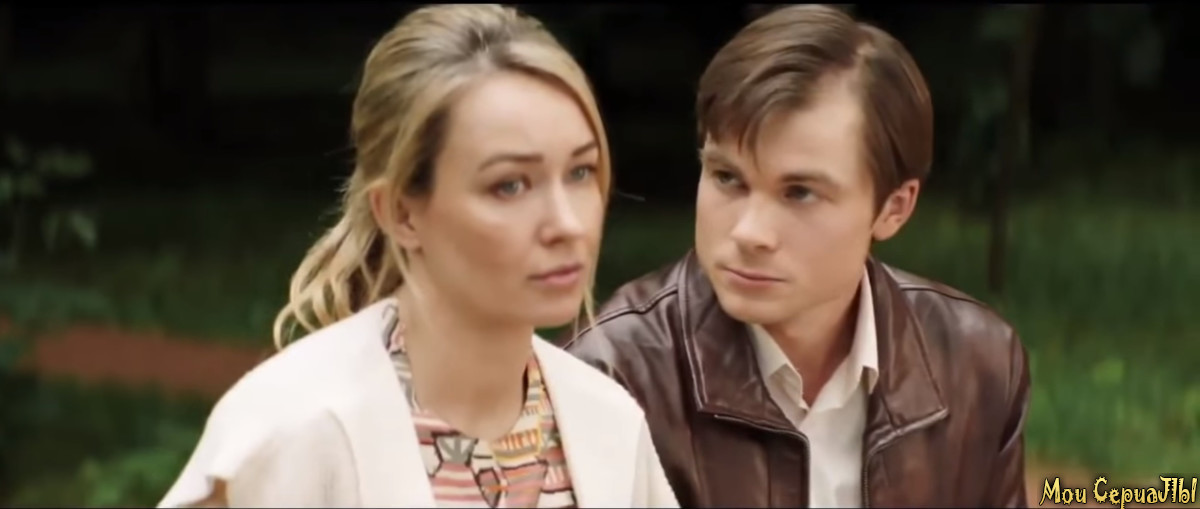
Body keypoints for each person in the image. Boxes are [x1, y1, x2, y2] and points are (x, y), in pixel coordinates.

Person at [158, 4, 678, 508]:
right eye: (509, 185)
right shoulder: (296, 432)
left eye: (581, 172)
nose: (567, 224)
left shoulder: (608, 425)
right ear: (402, 213)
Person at [565, 5, 1030, 508]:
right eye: (727, 178)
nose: (749, 233)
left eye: (800, 193)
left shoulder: (977, 364)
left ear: (894, 208)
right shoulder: (609, 376)